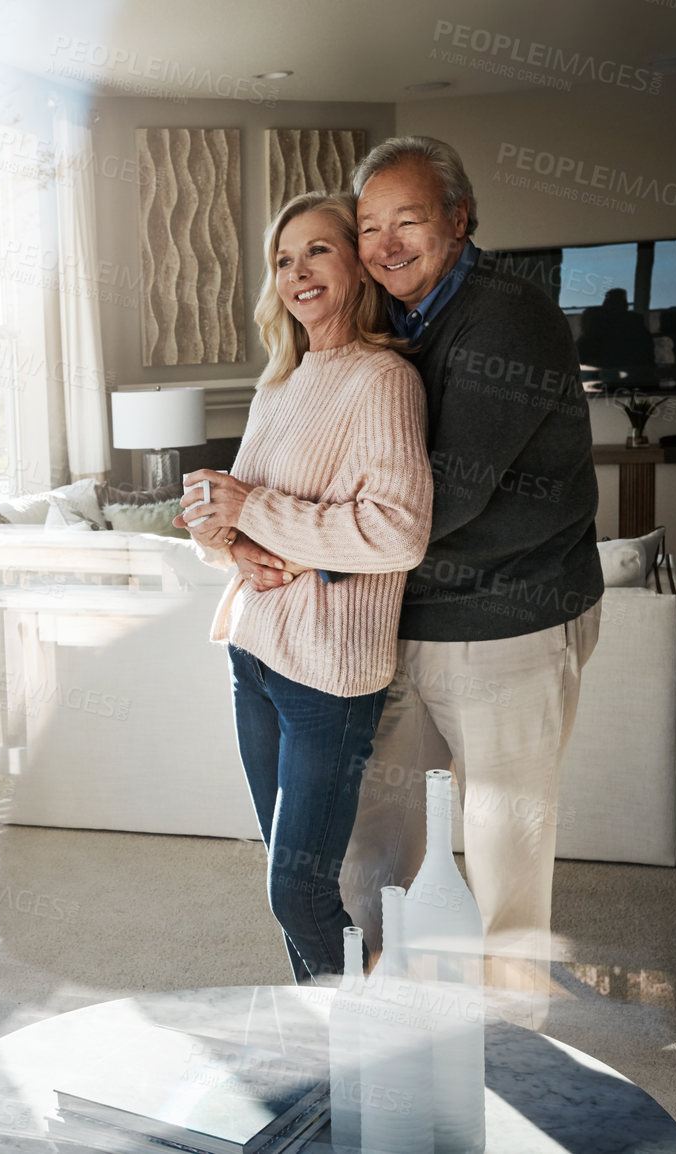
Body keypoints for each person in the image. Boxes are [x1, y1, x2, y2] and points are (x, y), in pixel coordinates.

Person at [232, 137, 605, 1024]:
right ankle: (393, 1022)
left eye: (411, 220)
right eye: (370, 227)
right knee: (374, 845)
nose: (388, 243)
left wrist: (285, 542)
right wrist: (255, 529)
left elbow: (437, 502)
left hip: (510, 623)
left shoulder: (504, 317)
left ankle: (517, 1042)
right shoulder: (388, 326)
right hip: (400, 627)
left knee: (505, 847)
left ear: (460, 220)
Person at [174, 191, 432, 984]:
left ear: (356, 261)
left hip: (328, 673)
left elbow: (398, 531)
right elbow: (234, 526)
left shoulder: (384, 379)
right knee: (292, 888)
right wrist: (223, 535)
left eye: (318, 250)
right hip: (252, 653)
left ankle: (367, 1062)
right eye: (284, 260)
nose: (298, 271)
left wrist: (254, 511)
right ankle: (326, 1062)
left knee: (297, 891)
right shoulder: (279, 384)